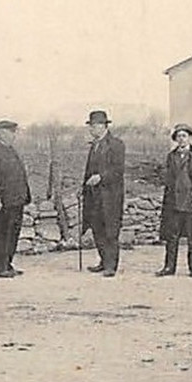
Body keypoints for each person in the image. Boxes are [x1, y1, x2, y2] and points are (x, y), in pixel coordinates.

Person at [155, 123, 192, 277]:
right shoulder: (171, 156)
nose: (181, 139)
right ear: (175, 139)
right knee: (171, 237)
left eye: (184, 136)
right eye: (178, 136)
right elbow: (167, 176)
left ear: (190, 138)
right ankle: (169, 267)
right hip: (174, 203)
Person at [0, 119, 31, 279]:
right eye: (11, 132)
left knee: (13, 234)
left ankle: (7, 265)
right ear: (1, 133)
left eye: (14, 132)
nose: (14, 135)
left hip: (17, 200)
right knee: (2, 234)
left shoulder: (10, 150)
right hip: (3, 201)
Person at [80, 109, 125, 277]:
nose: (91, 129)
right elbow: (88, 171)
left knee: (110, 231)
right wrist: (83, 189)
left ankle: (111, 266)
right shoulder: (94, 146)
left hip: (110, 197)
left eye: (93, 126)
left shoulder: (116, 144)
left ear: (103, 126)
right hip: (94, 197)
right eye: (90, 126)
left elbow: (118, 170)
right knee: (97, 229)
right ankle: (103, 261)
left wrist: (101, 177)